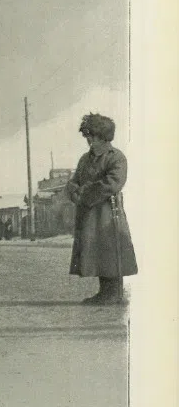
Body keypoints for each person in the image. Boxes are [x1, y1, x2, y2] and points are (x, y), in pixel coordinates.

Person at [66, 113, 137, 305]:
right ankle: (104, 293)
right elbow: (74, 182)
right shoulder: (85, 159)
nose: (88, 140)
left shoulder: (116, 157)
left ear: (103, 136)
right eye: (87, 135)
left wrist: (83, 193)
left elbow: (112, 183)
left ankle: (114, 294)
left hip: (107, 214)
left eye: (91, 135)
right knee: (96, 252)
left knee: (110, 250)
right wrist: (73, 191)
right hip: (90, 215)